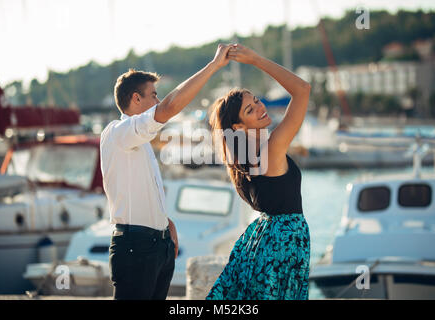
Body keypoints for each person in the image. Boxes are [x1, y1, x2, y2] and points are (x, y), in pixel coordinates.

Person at [101, 44, 234, 300]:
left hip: (156, 245)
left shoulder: (138, 139)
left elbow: (140, 190)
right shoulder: (119, 132)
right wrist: (214, 65)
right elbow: (170, 107)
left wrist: (164, 222)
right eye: (153, 95)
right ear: (136, 99)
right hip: (135, 248)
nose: (158, 100)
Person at [206, 44, 312, 300]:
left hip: (265, 241)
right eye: (250, 110)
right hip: (283, 245)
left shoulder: (243, 162)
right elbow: (302, 90)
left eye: (256, 101)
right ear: (239, 126)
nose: (260, 107)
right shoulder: (271, 149)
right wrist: (256, 60)